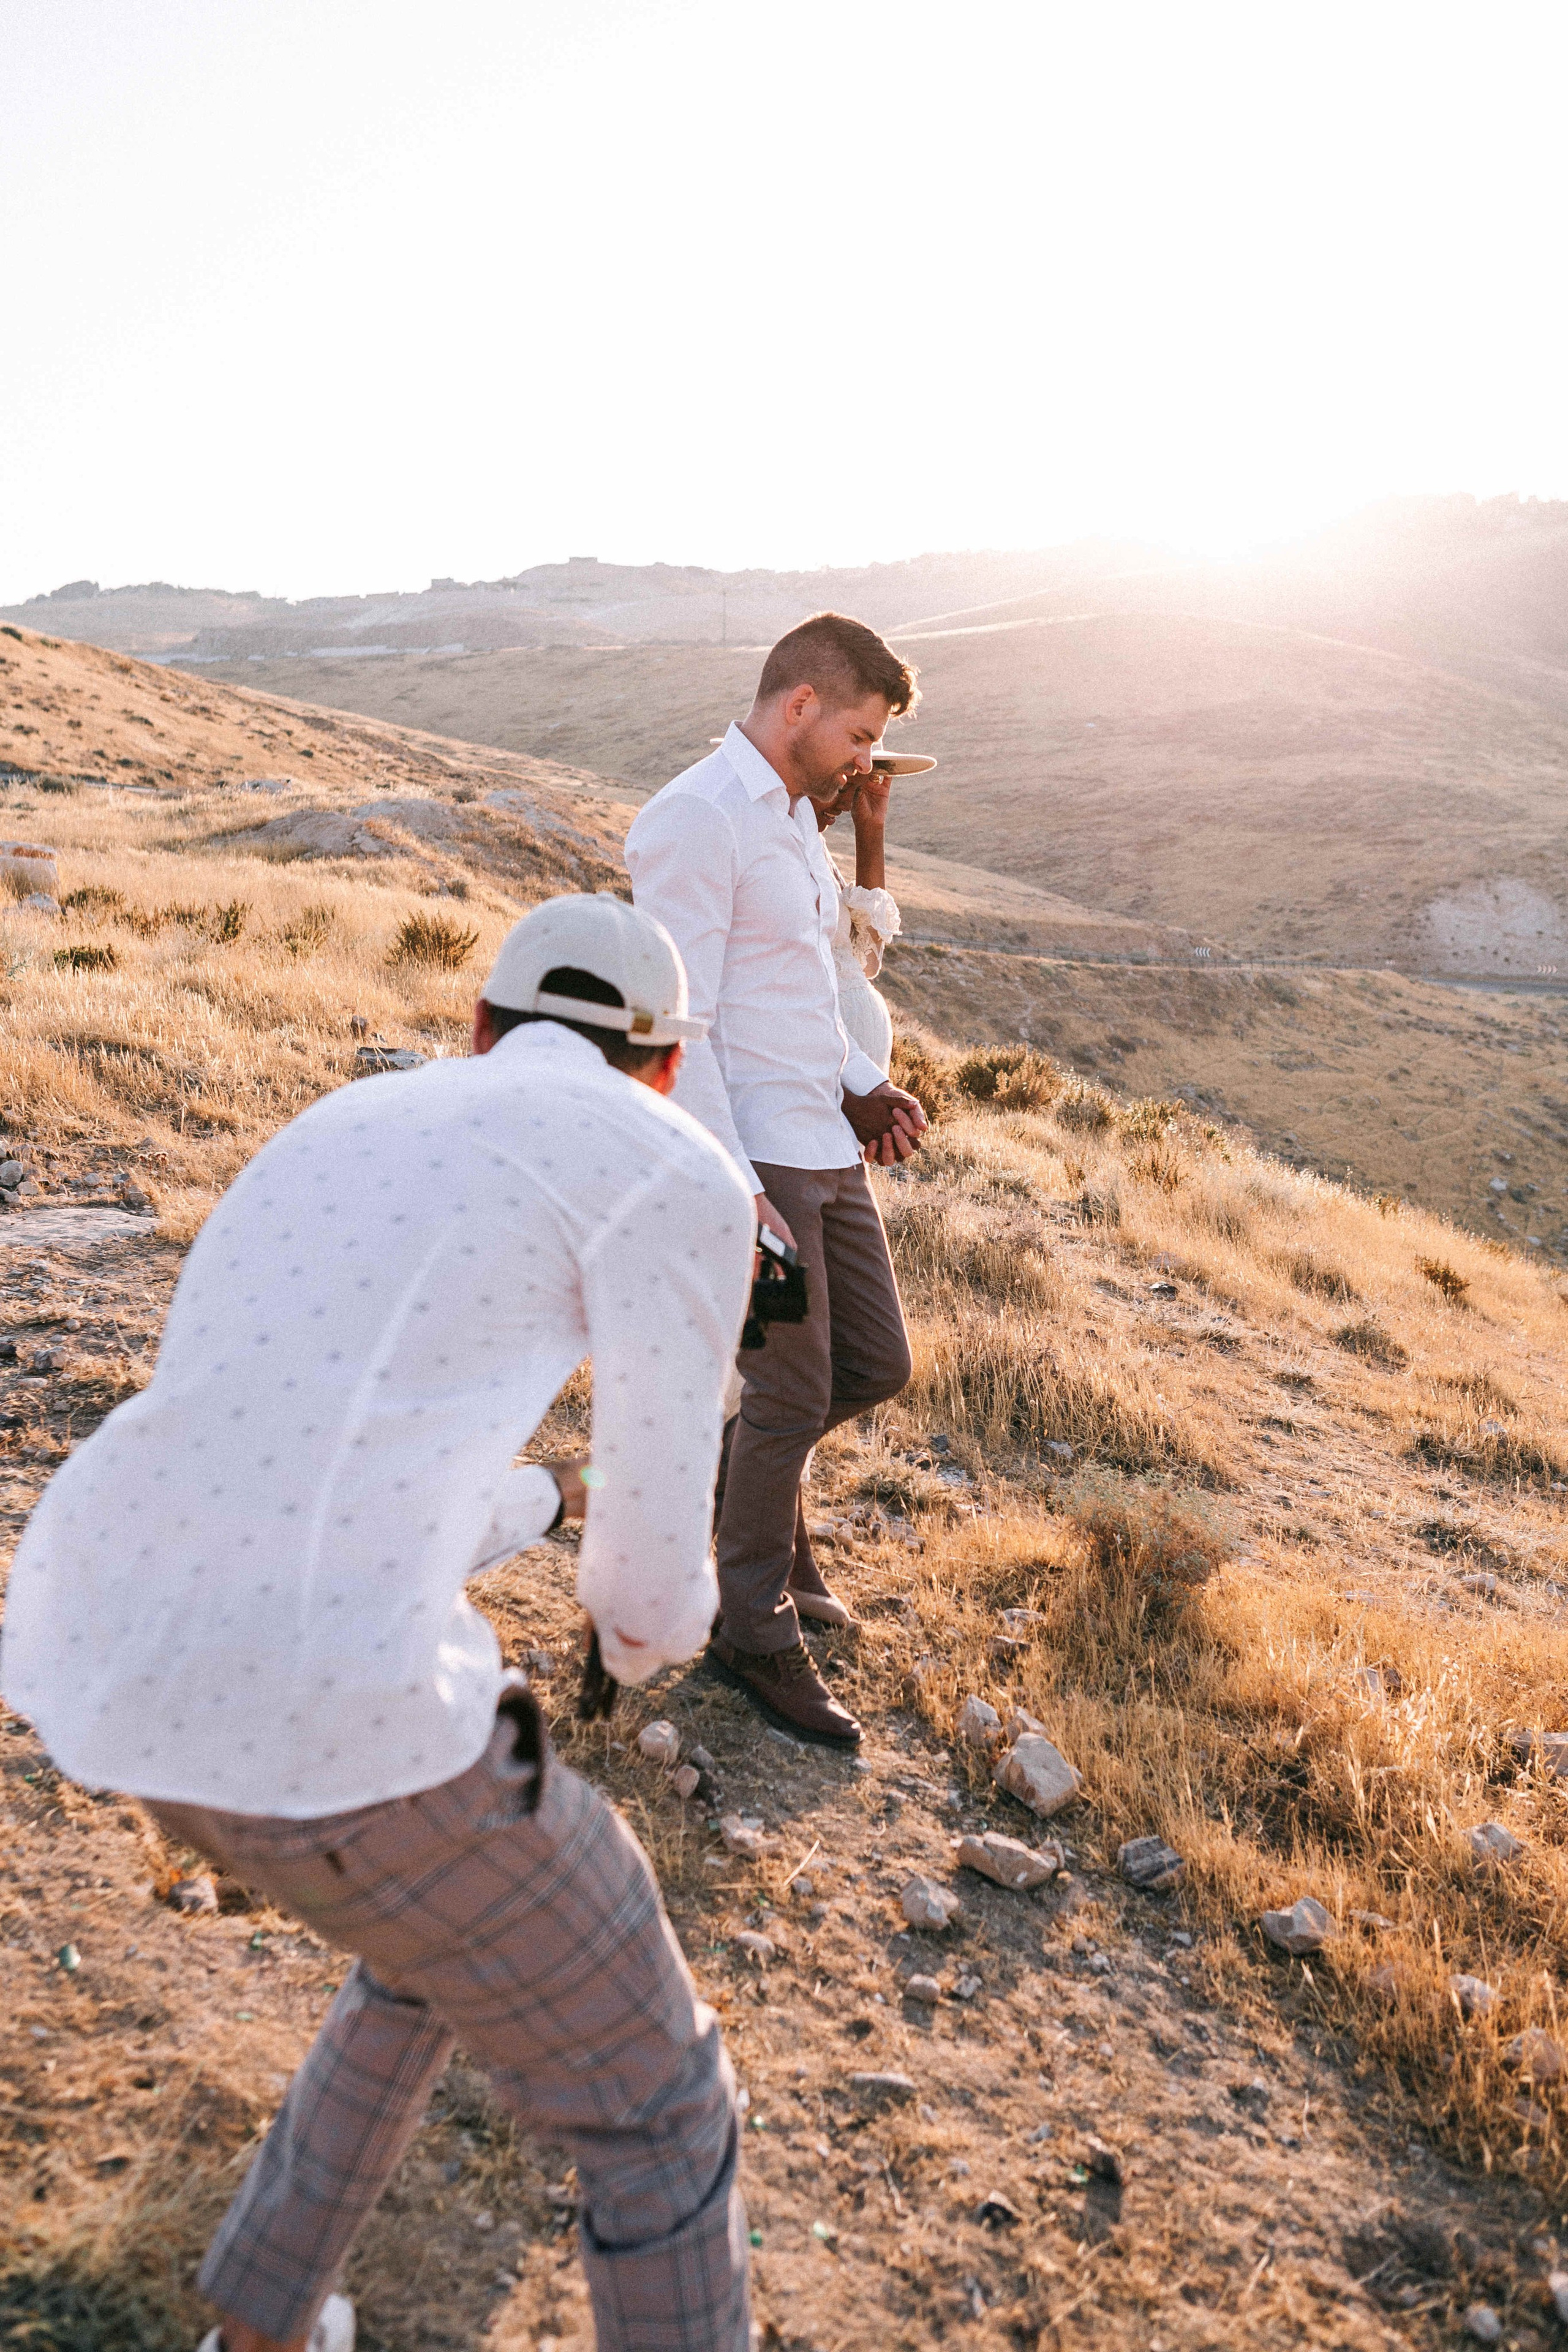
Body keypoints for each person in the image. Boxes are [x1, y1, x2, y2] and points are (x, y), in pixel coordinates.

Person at [0, 894, 757, 2352]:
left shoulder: (344, 1120)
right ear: (665, 1065)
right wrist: (636, 1637)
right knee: (660, 2108)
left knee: (429, 1949)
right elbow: (651, 1602)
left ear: (478, 1028)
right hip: (337, 1710)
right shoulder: (674, 1161)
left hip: (109, 1653)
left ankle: (264, 2329)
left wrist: (546, 1500)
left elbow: (300, 1462)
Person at [624, 612, 930, 1747]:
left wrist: (862, 1084)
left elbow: (803, 990)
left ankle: (737, 1477)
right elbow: (676, 1023)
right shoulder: (696, 820)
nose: (865, 761)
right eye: (859, 735)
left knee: (875, 1365)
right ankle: (749, 1627)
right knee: (792, 1393)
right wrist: (733, 1184)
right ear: (800, 705)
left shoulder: (795, 817)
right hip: (755, 1159)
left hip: (823, 1145)